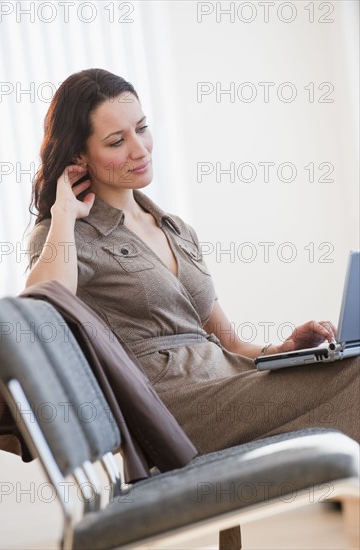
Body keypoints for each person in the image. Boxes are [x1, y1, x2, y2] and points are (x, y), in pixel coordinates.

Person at [26, 68, 360, 454]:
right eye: (117, 141)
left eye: (142, 128)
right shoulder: (66, 234)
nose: (139, 149)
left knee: (339, 363)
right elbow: (40, 307)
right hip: (170, 410)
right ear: (79, 154)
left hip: (231, 384)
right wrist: (64, 214)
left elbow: (230, 342)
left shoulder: (177, 229)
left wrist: (282, 351)